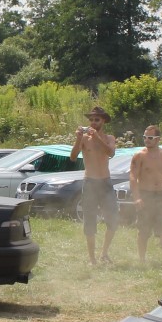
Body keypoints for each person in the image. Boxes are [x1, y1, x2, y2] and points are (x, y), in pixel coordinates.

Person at [70, 105, 119, 266]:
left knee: (113, 220)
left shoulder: (109, 138)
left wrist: (97, 137)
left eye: (96, 119)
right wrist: (78, 138)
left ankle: (104, 253)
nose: (93, 122)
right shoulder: (84, 139)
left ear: (103, 121)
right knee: (89, 221)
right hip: (90, 182)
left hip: (105, 182)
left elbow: (111, 152)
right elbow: (73, 157)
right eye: (91, 119)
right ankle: (92, 259)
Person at [130, 125, 162, 268]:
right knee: (144, 230)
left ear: (158, 139)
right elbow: (133, 177)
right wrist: (137, 197)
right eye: (145, 137)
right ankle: (141, 260)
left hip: (161, 195)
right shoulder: (139, 156)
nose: (146, 140)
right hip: (145, 195)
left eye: (150, 137)